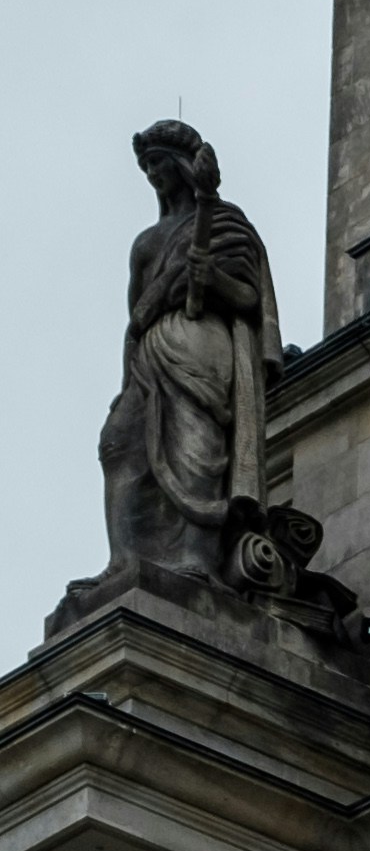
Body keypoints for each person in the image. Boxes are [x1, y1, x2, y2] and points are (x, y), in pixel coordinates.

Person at [96, 120, 277, 592]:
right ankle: (124, 561)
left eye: (157, 162)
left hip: (202, 342)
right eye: (145, 166)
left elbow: (250, 300)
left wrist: (212, 279)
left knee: (196, 449)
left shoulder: (223, 222)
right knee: (119, 444)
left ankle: (196, 558)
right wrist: (122, 388)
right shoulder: (146, 243)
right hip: (150, 351)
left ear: (179, 165)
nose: (152, 173)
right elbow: (135, 320)